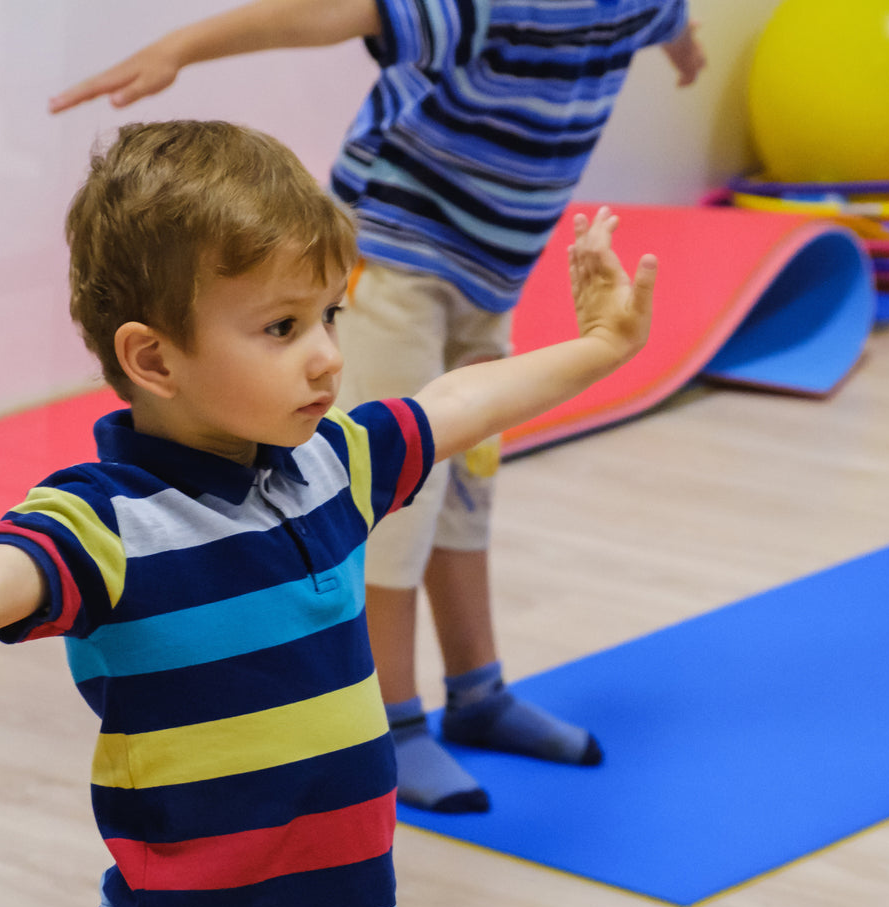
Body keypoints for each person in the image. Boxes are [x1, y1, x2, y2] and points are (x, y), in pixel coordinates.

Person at [0, 120, 655, 907]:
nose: (324, 354)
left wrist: (601, 345)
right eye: (278, 327)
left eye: (327, 315)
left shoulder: (332, 466)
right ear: (152, 358)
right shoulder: (107, 524)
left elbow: (456, 402)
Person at [49, 0, 704, 813]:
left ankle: (478, 691)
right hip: (396, 246)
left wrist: (684, 54)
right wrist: (183, 46)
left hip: (490, 268)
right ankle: (394, 719)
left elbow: (668, 22)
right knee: (390, 484)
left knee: (468, 477)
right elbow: (329, 12)